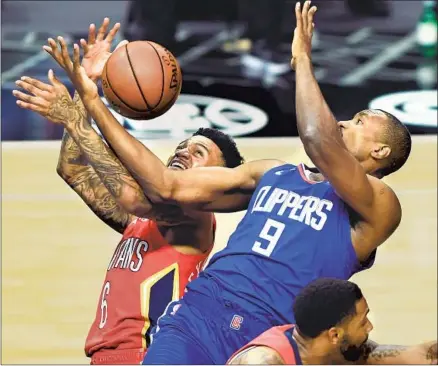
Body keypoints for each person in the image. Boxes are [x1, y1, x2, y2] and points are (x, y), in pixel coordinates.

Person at [40, 2, 412, 364]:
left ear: (381, 151)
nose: (347, 121)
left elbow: (317, 136)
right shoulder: (272, 173)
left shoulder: (379, 204)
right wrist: (92, 101)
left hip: (267, 337)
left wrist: (302, 62)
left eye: (362, 121)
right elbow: (165, 185)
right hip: (197, 314)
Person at [13, 18, 244, 365]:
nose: (183, 151)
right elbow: (73, 169)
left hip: (152, 354)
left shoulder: (191, 212)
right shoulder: (149, 219)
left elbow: (130, 196)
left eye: (198, 153)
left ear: (218, 178)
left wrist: (82, 113)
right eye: (182, 145)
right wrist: (85, 83)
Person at [227, 278, 437, 365]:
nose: (370, 327)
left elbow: (417, 356)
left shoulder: (332, 348)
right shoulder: (263, 361)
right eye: (363, 322)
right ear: (334, 334)